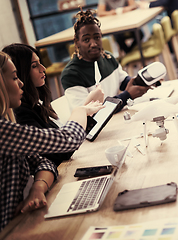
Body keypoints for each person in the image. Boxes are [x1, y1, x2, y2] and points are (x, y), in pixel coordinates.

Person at [0, 51, 104, 231]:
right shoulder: (4, 132)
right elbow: (69, 140)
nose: (21, 83)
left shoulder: (8, 127)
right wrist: (80, 111)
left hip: (18, 223)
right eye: (15, 77)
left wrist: (38, 188)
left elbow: (42, 161)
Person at [2, 43, 104, 167]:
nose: (43, 68)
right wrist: (81, 111)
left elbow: (44, 159)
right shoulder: (18, 117)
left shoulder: (37, 102)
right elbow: (63, 146)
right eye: (14, 78)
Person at [61, 9, 150, 112]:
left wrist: (143, 81)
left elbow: (124, 81)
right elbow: (90, 113)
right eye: (86, 40)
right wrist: (127, 95)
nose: (94, 44)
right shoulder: (71, 75)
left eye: (97, 37)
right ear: (77, 42)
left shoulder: (108, 57)